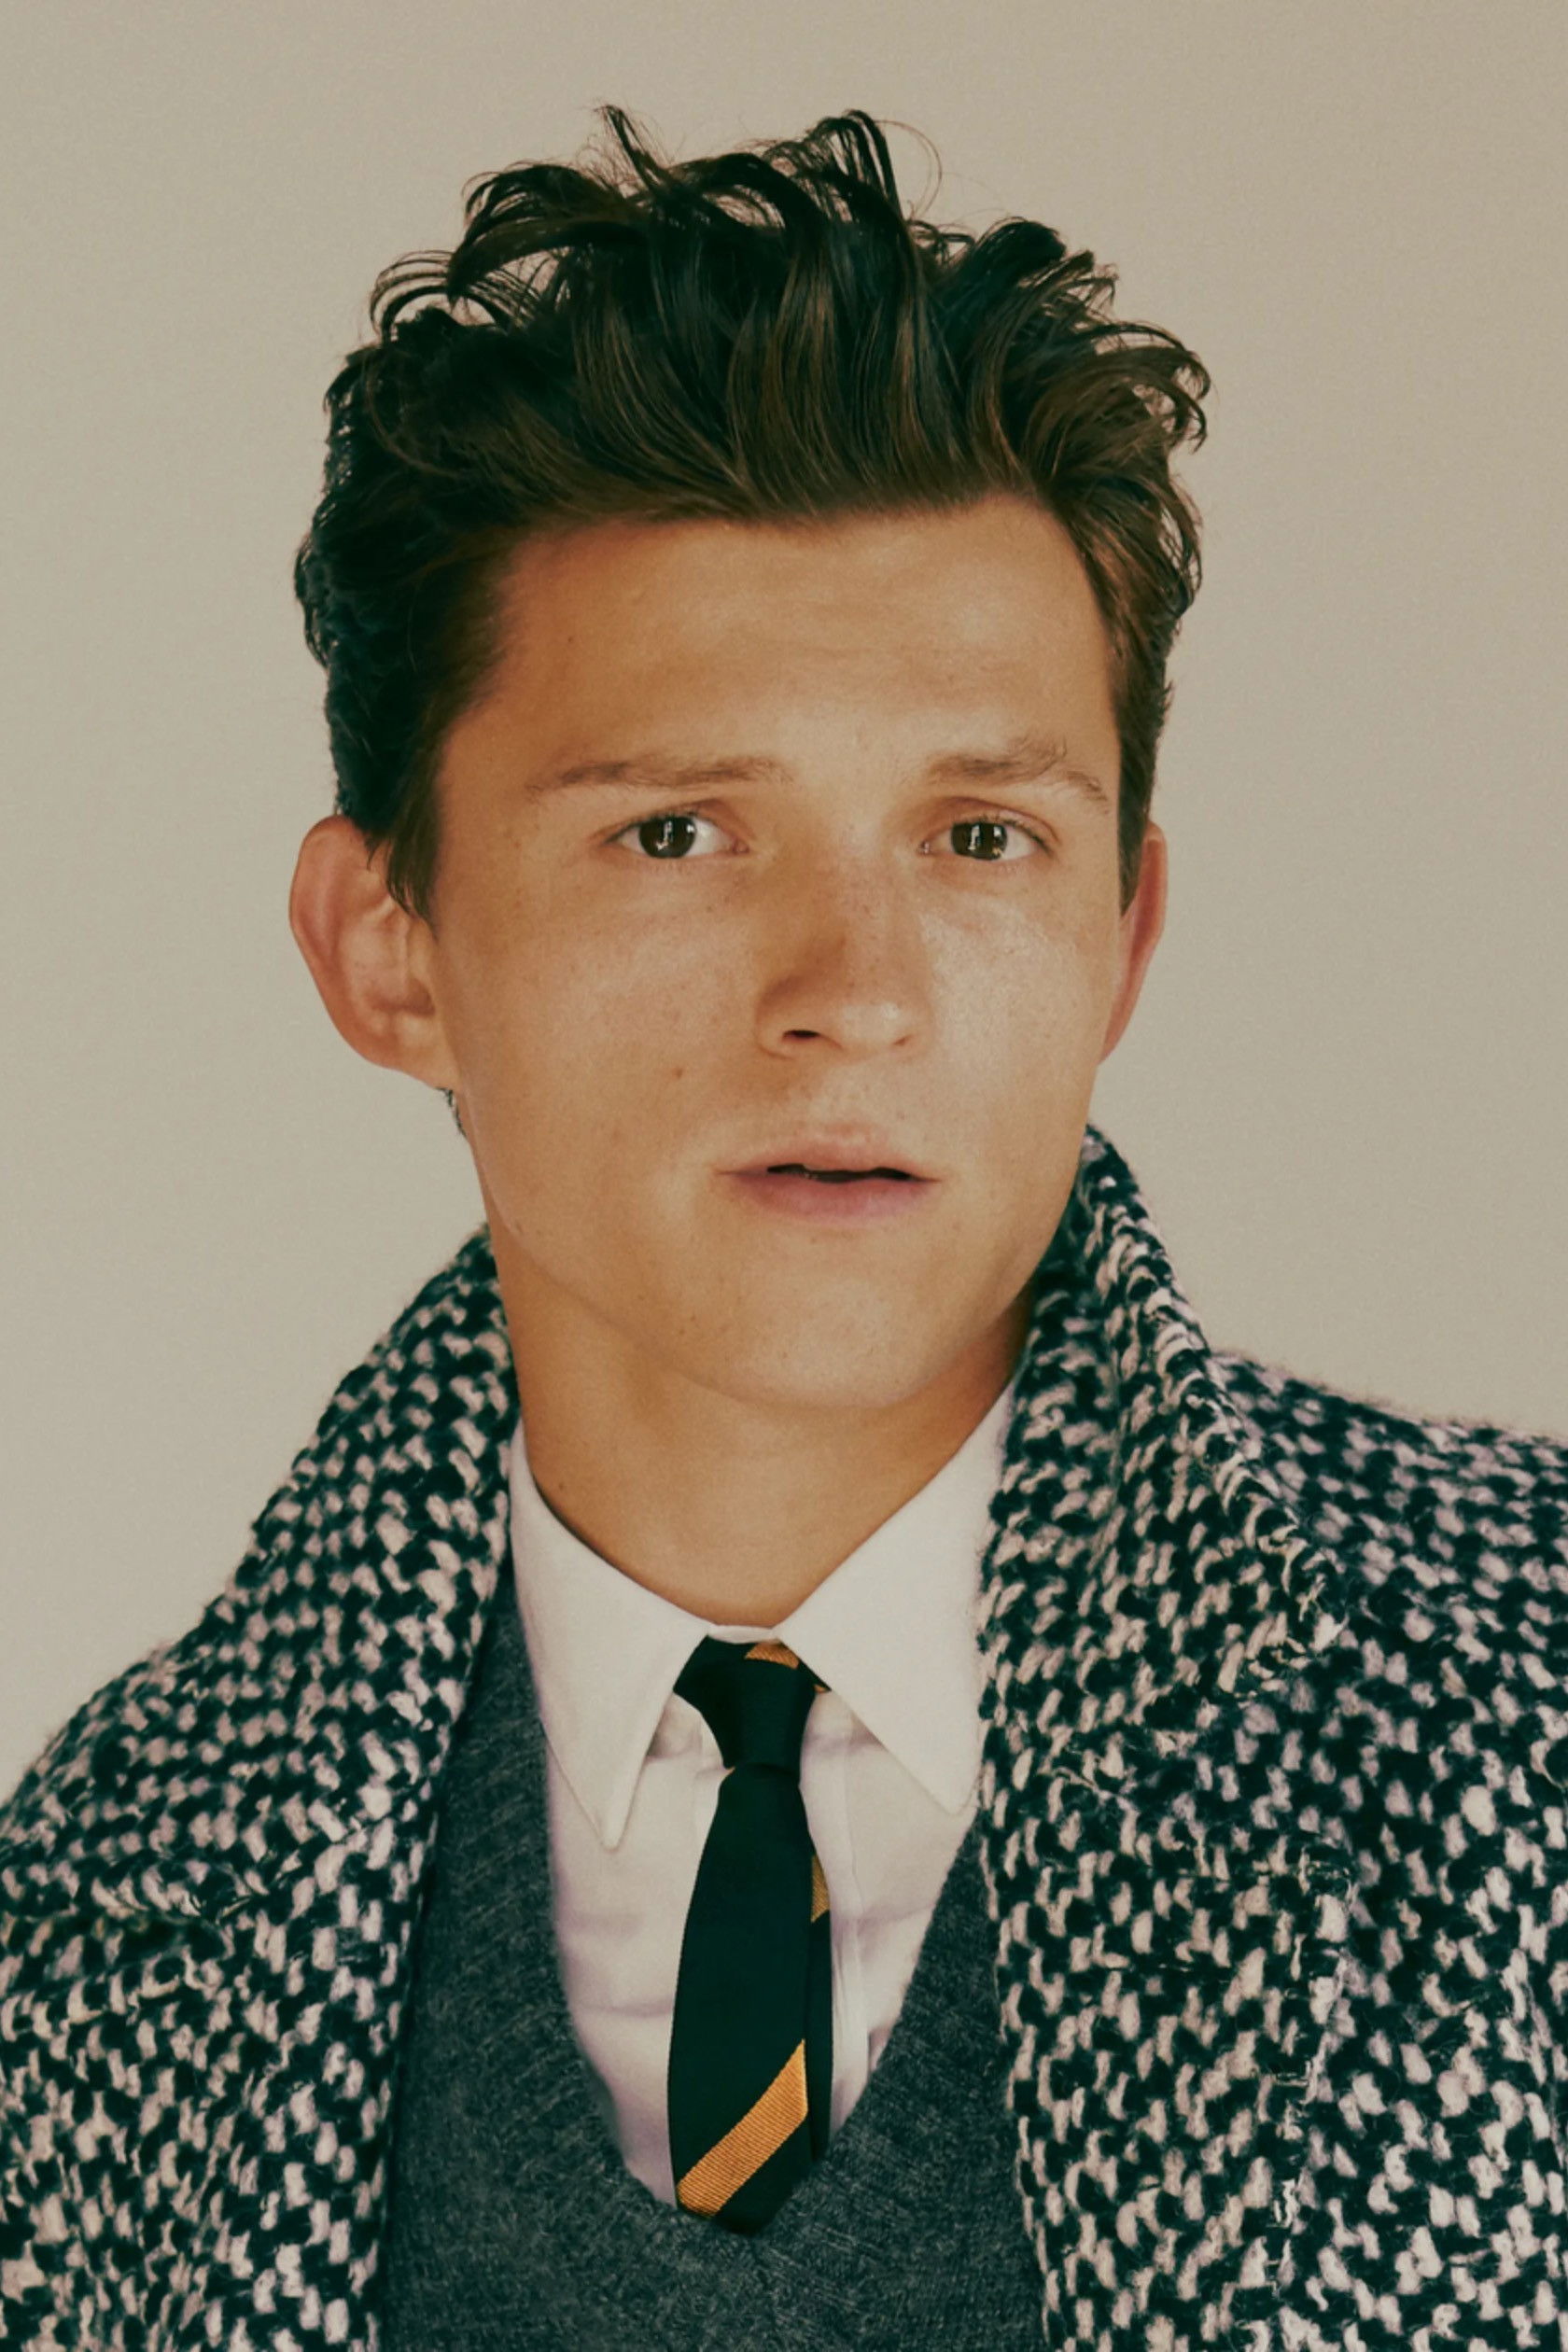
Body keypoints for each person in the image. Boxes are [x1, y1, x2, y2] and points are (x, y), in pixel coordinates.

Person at [2, 105, 1563, 2352]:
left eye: (981, 837)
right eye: (677, 834)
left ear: (1124, 937)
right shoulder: (98, 1905)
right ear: (389, 950)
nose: (857, 991)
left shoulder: (1520, 1713)